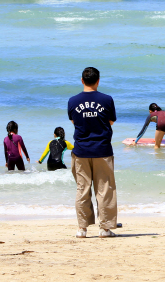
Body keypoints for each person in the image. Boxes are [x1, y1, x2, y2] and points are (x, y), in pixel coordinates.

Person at [68, 67, 118, 238]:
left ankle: (82, 229)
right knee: (105, 189)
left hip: (81, 150)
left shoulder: (73, 101)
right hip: (102, 150)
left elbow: (75, 122)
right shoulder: (107, 99)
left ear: (82, 80)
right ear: (98, 81)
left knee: (82, 189)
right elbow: (110, 121)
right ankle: (105, 229)